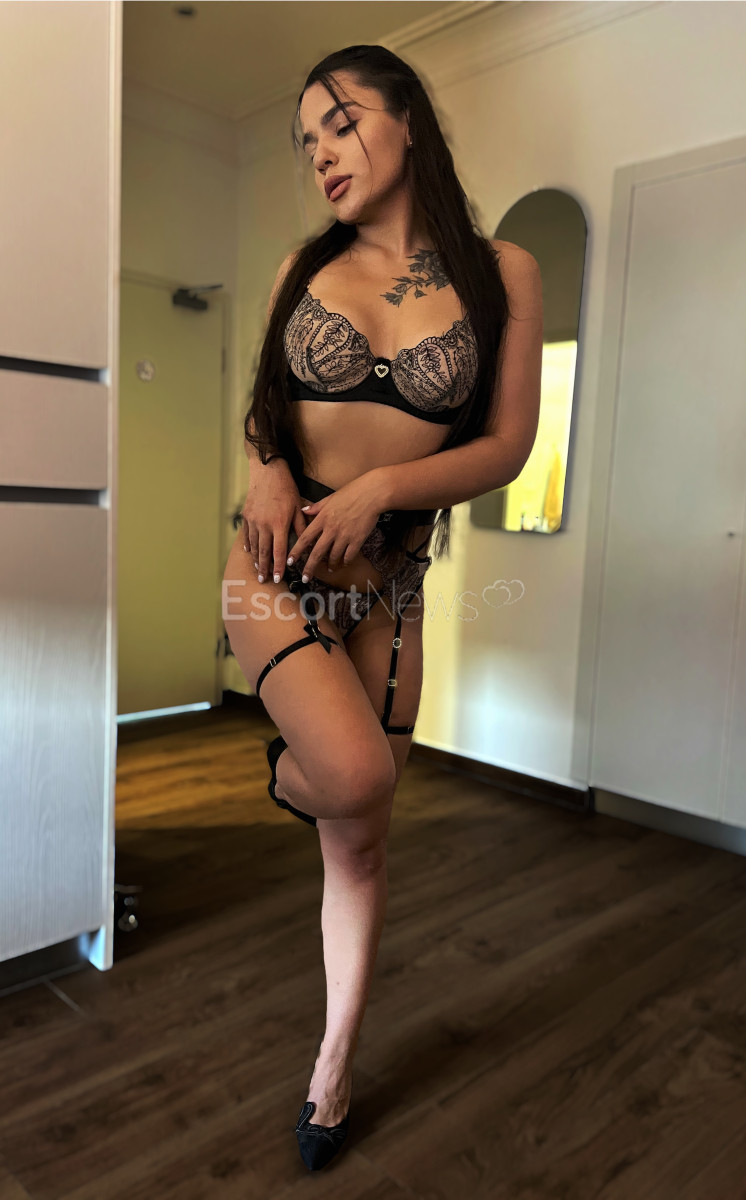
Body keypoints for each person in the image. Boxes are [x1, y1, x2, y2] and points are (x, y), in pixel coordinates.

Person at [222, 44, 542, 1172]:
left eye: (341, 121)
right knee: (353, 778)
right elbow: (264, 409)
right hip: (276, 565)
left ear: (407, 118)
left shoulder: (503, 272)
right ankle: (290, 775)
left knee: (360, 843)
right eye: (306, 140)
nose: (321, 152)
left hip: (389, 584)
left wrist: (384, 488)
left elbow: (507, 446)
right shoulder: (302, 267)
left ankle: (334, 1065)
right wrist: (267, 466)